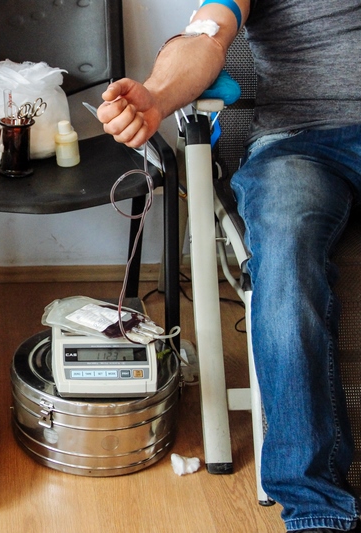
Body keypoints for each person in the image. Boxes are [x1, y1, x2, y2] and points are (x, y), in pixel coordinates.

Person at [98, 1, 361, 531]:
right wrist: (157, 96)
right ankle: (315, 507)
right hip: (301, 144)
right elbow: (207, 34)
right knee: (285, 256)